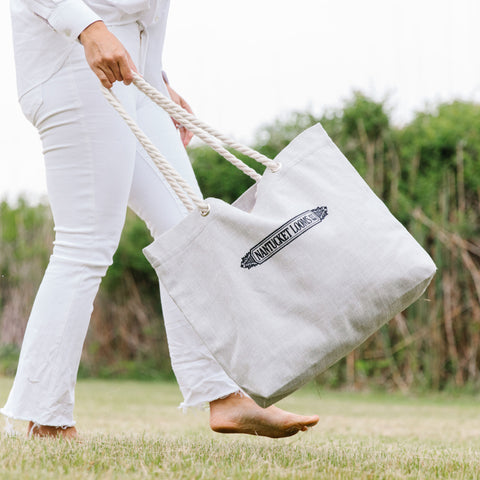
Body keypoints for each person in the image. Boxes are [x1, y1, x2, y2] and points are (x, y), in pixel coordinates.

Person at [2, 0, 319, 439]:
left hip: (129, 69)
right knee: (86, 242)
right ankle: (47, 418)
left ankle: (223, 395)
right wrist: (88, 28)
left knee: (189, 229)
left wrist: (156, 79)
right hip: (72, 61)